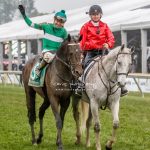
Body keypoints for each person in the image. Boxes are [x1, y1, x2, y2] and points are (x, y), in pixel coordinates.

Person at [78, 4, 128, 97]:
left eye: (97, 14)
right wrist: (92, 45)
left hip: (104, 52)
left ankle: (121, 87)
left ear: (100, 15)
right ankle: (81, 85)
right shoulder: (85, 26)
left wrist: (108, 44)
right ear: (90, 15)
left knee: (116, 65)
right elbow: (82, 42)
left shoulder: (105, 26)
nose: (95, 16)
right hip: (91, 52)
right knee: (84, 65)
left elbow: (111, 38)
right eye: (93, 14)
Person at [18, 5, 68, 77]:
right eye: (57, 21)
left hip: (58, 53)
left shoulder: (64, 32)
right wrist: (24, 15)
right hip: (47, 52)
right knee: (49, 55)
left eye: (61, 22)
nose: (58, 23)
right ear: (54, 19)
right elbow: (31, 24)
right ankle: (38, 68)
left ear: (63, 23)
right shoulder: (46, 26)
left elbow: (66, 44)